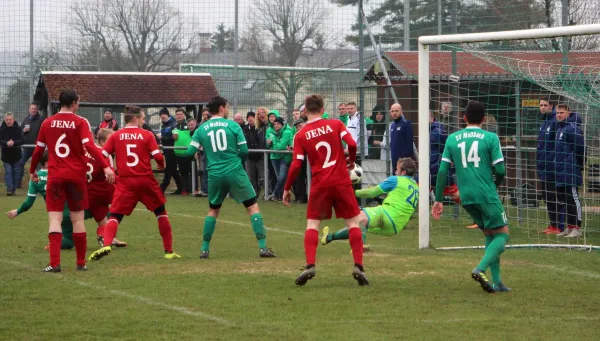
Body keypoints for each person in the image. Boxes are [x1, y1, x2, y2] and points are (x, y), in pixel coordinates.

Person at [282, 94, 368, 286]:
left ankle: (310, 265)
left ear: (305, 111)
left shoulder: (301, 135)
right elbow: (352, 144)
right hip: (341, 181)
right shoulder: (336, 124)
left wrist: (287, 188)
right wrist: (352, 162)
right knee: (353, 223)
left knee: (312, 225)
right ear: (322, 109)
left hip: (320, 184)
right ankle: (358, 266)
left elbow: (296, 165)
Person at [29, 88, 114, 272]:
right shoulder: (81, 122)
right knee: (77, 220)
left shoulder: (47, 122)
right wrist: (106, 165)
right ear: (74, 103)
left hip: (56, 177)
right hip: (76, 178)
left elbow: (38, 150)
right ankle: (80, 263)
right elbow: (91, 147)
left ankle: (54, 264)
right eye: (78, 102)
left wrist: (31, 170)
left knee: (55, 219)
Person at [182, 96, 276, 259]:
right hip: (235, 171)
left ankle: (204, 249)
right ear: (221, 108)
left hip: (215, 174)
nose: (227, 110)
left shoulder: (201, 129)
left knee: (213, 210)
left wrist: (207, 153)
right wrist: (237, 161)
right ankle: (263, 247)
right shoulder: (233, 125)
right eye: (226, 107)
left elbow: (189, 153)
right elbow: (245, 151)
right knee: (252, 206)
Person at [432, 101, 510, 293]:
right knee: (503, 234)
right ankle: (480, 269)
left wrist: (439, 199)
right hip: (486, 193)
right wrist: (495, 184)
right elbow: (500, 169)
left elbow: (442, 171)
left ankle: (497, 282)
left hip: (465, 196)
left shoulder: (452, 138)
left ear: (464, 118)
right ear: (484, 119)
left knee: (490, 234)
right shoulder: (491, 137)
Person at [88, 105, 180, 261]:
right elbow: (158, 156)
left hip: (125, 182)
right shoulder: (147, 135)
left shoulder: (116, 136)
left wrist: (106, 169)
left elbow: (101, 154)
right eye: (143, 118)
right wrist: (161, 164)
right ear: (136, 119)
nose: (144, 121)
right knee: (161, 213)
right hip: (145, 181)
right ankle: (169, 251)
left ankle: (107, 244)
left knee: (115, 216)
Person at [321, 158, 418, 250]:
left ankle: (360, 247)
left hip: (388, 215)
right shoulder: (416, 187)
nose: (395, 172)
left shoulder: (396, 180)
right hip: (395, 228)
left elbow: (373, 192)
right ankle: (328, 237)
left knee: (360, 218)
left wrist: (353, 193)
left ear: (403, 172)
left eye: (397, 170)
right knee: (358, 226)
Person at [88, 128, 127, 248]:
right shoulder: (105, 154)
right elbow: (109, 177)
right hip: (99, 189)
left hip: (85, 189)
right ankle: (105, 236)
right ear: (103, 142)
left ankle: (109, 237)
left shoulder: (88, 150)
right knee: (123, 201)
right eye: (112, 140)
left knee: (101, 215)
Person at [554, 104, 585, 238]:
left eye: (561, 112)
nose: (559, 115)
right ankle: (569, 227)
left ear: (568, 113)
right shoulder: (560, 129)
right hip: (560, 170)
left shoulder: (573, 129)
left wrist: (578, 165)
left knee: (573, 198)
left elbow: (580, 150)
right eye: (557, 113)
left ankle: (577, 228)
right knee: (565, 199)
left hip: (570, 169)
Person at [536, 98, 562, 234]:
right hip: (543, 166)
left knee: (553, 195)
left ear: (551, 106)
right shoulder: (544, 121)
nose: (542, 107)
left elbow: (554, 145)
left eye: (545, 105)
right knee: (546, 196)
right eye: (541, 105)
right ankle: (552, 224)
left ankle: (558, 225)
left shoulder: (554, 122)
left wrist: (551, 161)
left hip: (551, 166)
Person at [380, 103, 414, 173]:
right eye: (392, 111)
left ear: (401, 112)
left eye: (396, 111)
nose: (394, 113)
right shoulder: (392, 125)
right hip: (394, 162)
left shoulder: (406, 124)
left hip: (403, 164)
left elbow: (409, 145)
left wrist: (403, 160)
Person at [18, 103, 44, 188]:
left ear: (37, 110)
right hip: (26, 148)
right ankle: (18, 184)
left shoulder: (41, 120)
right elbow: (20, 132)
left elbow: (44, 132)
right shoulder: (26, 120)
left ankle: (41, 184)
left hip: (37, 148)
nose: (33, 110)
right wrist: (24, 130)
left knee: (41, 166)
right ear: (29, 110)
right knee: (21, 164)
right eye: (32, 109)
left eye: (35, 109)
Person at [267, 116, 293, 201]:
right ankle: (283, 196)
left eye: (278, 124)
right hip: (274, 157)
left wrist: (273, 141)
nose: (276, 125)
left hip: (283, 157)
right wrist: (269, 144)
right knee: (280, 179)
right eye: (274, 124)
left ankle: (275, 194)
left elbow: (280, 146)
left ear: (282, 124)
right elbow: (269, 146)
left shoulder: (287, 132)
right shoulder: (271, 132)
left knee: (282, 178)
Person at [159, 107, 182, 194]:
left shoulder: (173, 124)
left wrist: (163, 138)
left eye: (163, 114)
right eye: (161, 115)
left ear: (167, 114)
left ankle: (162, 187)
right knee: (172, 170)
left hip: (172, 149)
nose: (162, 116)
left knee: (169, 169)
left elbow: (173, 137)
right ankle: (181, 187)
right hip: (167, 149)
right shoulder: (164, 124)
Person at [1, 112, 25, 195]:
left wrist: (14, 142)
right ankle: (9, 189)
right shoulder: (2, 129)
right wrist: (6, 143)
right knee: (8, 171)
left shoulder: (18, 129)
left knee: (15, 172)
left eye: (10, 119)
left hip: (16, 156)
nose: (8, 121)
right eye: (7, 120)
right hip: (6, 156)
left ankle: (13, 189)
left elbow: (22, 140)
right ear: (5, 120)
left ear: (13, 120)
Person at [243, 111, 265, 197]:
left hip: (260, 156)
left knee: (263, 177)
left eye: (252, 117)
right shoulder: (245, 129)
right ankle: (254, 193)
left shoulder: (260, 128)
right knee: (250, 176)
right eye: (248, 117)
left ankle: (266, 192)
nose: (250, 118)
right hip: (249, 156)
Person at [173, 108, 192, 195]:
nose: (179, 116)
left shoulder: (188, 124)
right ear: (175, 116)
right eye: (177, 114)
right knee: (182, 172)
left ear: (184, 115)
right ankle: (184, 189)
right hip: (178, 153)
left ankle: (192, 189)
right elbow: (174, 138)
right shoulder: (174, 126)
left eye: (181, 114)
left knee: (192, 171)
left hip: (189, 152)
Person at [291, 119, 307, 203]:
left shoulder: (309, 132)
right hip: (299, 159)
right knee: (299, 178)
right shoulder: (296, 135)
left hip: (309, 159)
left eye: (300, 125)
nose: (298, 128)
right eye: (297, 127)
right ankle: (301, 197)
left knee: (311, 178)